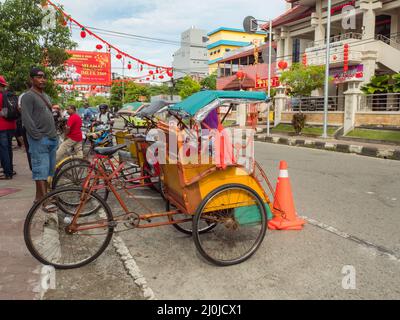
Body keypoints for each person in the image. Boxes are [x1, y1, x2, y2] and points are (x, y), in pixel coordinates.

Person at [20, 67, 58, 209]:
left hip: (51, 138)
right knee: (40, 171)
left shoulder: (46, 96)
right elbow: (27, 119)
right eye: (39, 77)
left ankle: (39, 198)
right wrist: (37, 136)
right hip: (40, 139)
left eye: (44, 77)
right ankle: (45, 202)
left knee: (48, 171)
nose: (42, 80)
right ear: (31, 79)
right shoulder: (28, 96)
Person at [0, 75, 17, 180]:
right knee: (9, 148)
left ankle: (8, 173)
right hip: (12, 125)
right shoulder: (9, 95)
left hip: (2, 127)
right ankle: (10, 169)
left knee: (3, 149)